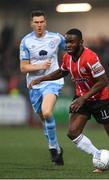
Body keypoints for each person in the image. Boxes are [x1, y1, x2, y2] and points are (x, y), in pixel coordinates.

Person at [29, 28, 109, 172]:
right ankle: (98, 155)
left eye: (72, 42)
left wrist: (83, 97)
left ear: (81, 42)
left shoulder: (91, 58)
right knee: (73, 132)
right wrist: (42, 78)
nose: (68, 45)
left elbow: (103, 81)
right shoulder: (67, 57)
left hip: (100, 99)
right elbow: (62, 71)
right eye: (66, 42)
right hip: (82, 98)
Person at [19, 10, 65, 165]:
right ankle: (58, 149)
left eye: (41, 22)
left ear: (46, 22)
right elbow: (23, 68)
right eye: (36, 22)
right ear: (31, 23)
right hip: (34, 85)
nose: (39, 25)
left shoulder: (57, 38)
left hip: (52, 81)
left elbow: (72, 49)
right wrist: (40, 65)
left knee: (47, 111)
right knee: (44, 120)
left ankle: (52, 148)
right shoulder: (25, 42)